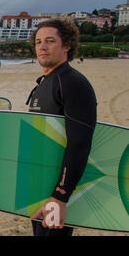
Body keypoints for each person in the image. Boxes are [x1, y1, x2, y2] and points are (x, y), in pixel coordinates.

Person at [26, 19, 97, 236]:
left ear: (66, 46)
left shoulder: (72, 83)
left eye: (50, 41)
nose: (42, 47)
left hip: (58, 190)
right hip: (40, 184)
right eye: (38, 42)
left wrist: (60, 195)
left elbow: (79, 144)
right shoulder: (45, 83)